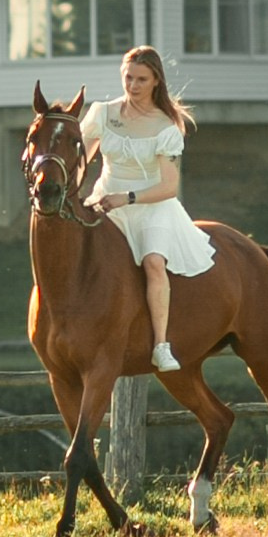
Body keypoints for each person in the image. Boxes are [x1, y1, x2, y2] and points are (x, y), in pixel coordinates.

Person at [82, 45, 215, 372]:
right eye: (128, 77)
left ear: (156, 81)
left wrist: (126, 198)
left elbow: (168, 187)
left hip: (151, 204)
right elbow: (79, 162)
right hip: (105, 199)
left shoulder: (167, 126)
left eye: (141, 79)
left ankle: (160, 345)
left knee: (154, 263)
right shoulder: (102, 113)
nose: (133, 85)